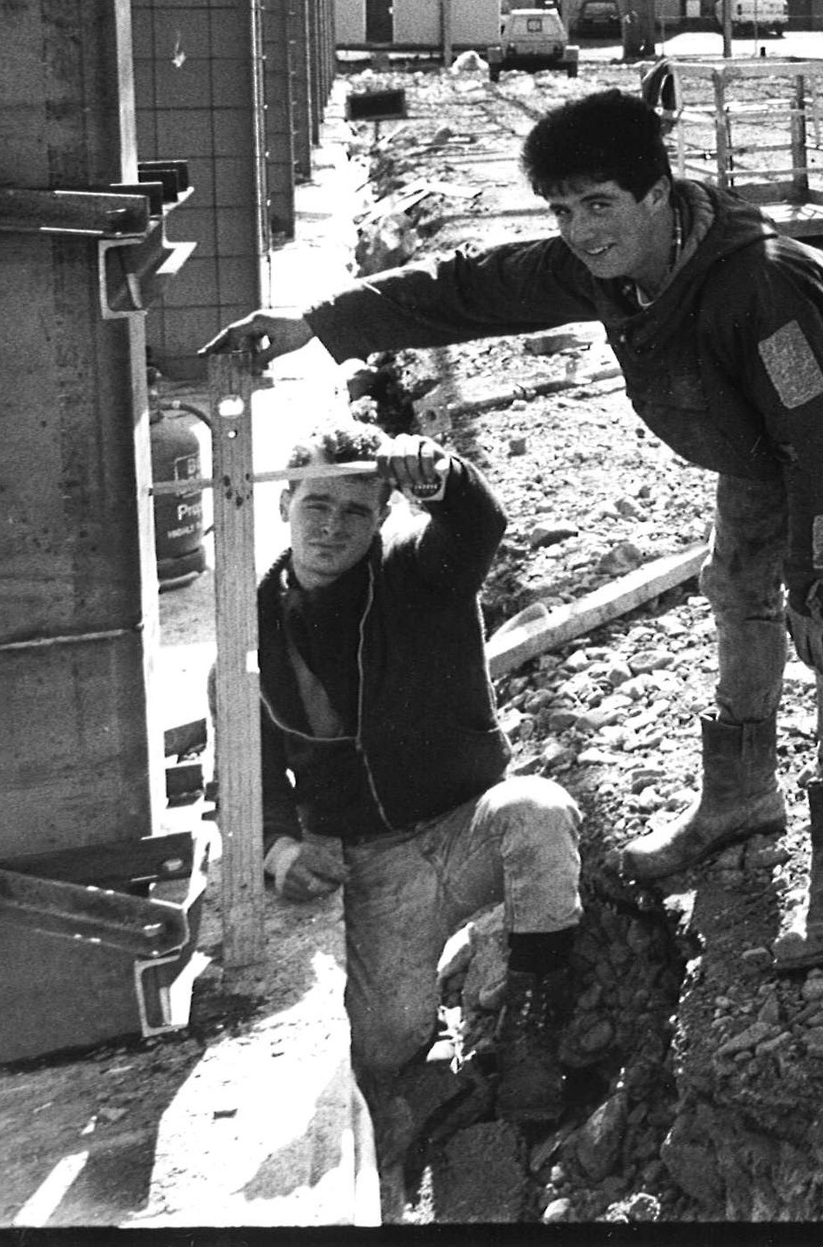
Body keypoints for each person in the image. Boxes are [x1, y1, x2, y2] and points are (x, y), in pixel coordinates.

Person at [208, 88, 823, 971]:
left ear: (659, 193)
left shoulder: (758, 291)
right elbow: (471, 288)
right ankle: (740, 797)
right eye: (562, 209)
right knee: (735, 585)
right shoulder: (607, 262)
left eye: (600, 205)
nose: (580, 230)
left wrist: (821, 582)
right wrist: (319, 327)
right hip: (756, 425)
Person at [256, 425, 582, 1137]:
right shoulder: (252, 633)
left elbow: (479, 523)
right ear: (284, 503)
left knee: (538, 808)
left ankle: (529, 1027)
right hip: (377, 863)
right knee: (383, 1050)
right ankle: (447, 1019)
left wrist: (441, 478)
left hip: (468, 827)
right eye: (317, 505)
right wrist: (282, 853)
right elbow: (251, 787)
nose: (332, 527)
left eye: (356, 512)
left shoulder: (420, 571)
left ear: (382, 518)